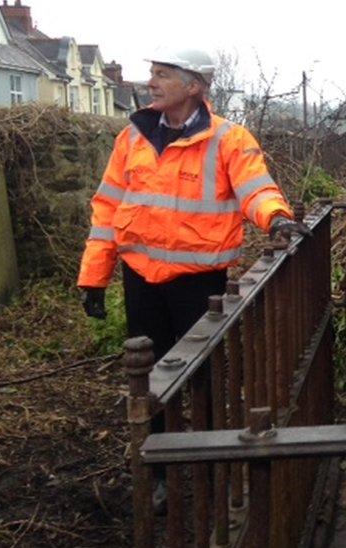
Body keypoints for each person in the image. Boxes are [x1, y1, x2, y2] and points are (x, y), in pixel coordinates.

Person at [77, 48, 309, 360]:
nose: (151, 83)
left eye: (162, 74)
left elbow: (256, 190)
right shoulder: (131, 138)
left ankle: (207, 411)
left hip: (198, 280)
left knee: (201, 373)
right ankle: (155, 413)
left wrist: (277, 218)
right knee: (147, 371)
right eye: (152, 74)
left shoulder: (230, 139)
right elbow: (107, 208)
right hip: (140, 277)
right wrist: (94, 277)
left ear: (193, 87)